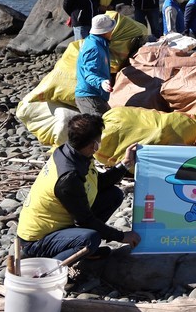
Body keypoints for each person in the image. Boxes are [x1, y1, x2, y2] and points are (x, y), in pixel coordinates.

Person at [16, 113, 141, 263]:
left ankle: (81, 249)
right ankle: (47, 270)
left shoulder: (74, 153)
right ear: (93, 145)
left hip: (60, 225)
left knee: (114, 195)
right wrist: (122, 236)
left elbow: (98, 184)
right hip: (36, 240)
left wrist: (125, 164)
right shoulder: (69, 177)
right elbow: (85, 220)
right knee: (90, 239)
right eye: (99, 141)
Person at [75, 14, 114, 116]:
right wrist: (101, 82)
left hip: (95, 95)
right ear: (105, 32)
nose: (112, 32)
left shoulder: (92, 41)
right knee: (98, 128)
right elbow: (89, 74)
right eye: (111, 29)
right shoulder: (94, 48)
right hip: (89, 96)